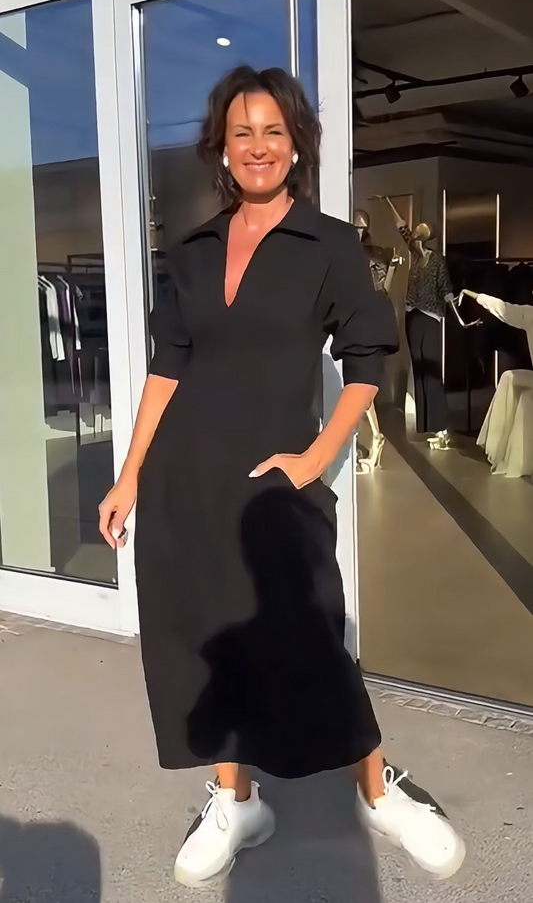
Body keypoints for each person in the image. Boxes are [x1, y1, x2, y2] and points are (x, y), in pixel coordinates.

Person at [99, 66, 465, 887]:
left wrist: (315, 456)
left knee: (310, 635)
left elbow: (367, 359)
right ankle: (236, 801)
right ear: (220, 148)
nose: (257, 146)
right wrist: (129, 476)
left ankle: (377, 790)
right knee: (205, 640)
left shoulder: (326, 244)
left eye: (273, 131)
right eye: (242, 132)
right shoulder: (192, 251)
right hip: (185, 482)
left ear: (295, 145)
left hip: (275, 486)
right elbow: (166, 369)